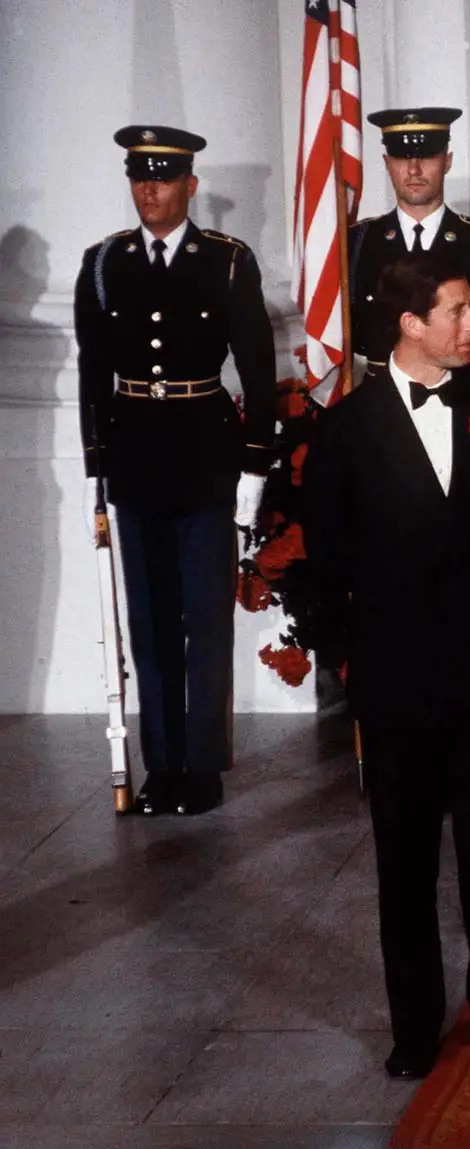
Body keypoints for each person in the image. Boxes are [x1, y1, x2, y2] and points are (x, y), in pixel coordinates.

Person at [302, 253, 470, 1079]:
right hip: (397, 685)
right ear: (410, 324)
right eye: (457, 311)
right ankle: (413, 1028)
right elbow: (323, 564)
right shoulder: (345, 428)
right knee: (403, 865)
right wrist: (351, 661)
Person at [74, 125, 276, 817]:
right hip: (135, 456)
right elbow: (93, 371)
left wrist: (255, 464)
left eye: (163, 177)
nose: (149, 190)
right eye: (139, 177)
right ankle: (162, 765)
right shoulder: (104, 263)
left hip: (205, 457)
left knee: (204, 617)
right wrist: (96, 461)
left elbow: (256, 366)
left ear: (191, 185)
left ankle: (203, 765)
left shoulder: (225, 261)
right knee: (150, 617)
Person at [349, 108, 470, 402]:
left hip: (464, 404)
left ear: (447, 162)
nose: (414, 170)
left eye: (427, 157)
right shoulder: (357, 242)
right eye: (403, 158)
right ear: (387, 163)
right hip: (378, 408)